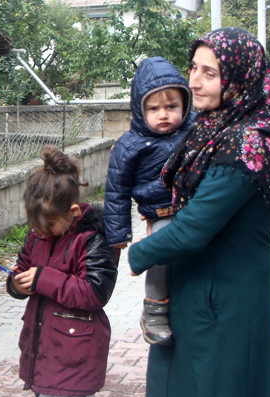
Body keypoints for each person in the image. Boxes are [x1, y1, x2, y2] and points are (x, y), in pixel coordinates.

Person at [128, 27, 270, 397]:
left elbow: (193, 228)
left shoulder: (247, 143)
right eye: (194, 68)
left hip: (225, 303)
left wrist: (139, 253)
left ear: (238, 79)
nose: (195, 82)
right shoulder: (212, 126)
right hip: (197, 293)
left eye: (210, 73)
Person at [5, 146, 118, 397]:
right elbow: (23, 266)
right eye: (37, 225)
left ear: (74, 211)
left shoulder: (91, 239)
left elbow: (94, 292)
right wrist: (15, 283)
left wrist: (43, 278)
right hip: (42, 350)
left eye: (50, 224)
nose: (43, 231)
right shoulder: (37, 235)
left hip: (76, 353)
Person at [104, 56, 193, 346]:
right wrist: (118, 234)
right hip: (162, 212)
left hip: (196, 207)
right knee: (160, 251)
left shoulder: (195, 131)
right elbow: (116, 190)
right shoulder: (130, 145)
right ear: (140, 110)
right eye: (153, 108)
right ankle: (154, 309)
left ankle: (249, 299)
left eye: (171, 107)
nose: (163, 114)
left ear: (185, 105)